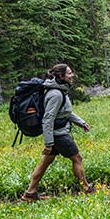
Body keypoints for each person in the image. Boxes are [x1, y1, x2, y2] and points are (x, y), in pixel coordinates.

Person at [22, 63, 94, 201]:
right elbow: (48, 119)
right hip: (58, 135)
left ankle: (30, 193)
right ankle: (86, 188)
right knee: (77, 158)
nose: (72, 75)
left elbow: (65, 112)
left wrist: (81, 123)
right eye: (69, 73)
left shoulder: (60, 90)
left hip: (55, 134)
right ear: (61, 76)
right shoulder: (56, 94)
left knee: (45, 162)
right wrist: (48, 143)